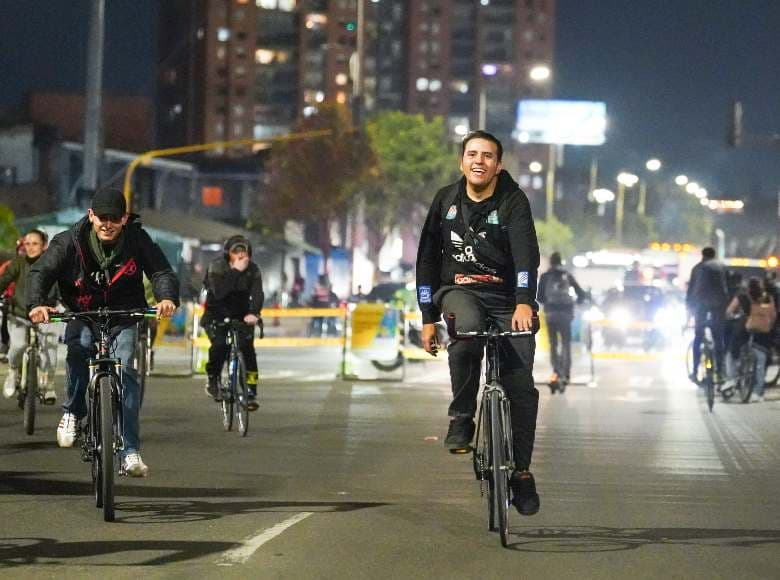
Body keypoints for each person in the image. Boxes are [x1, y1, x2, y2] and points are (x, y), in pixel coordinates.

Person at [416, 130, 541, 516]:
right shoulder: (445, 201)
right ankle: (462, 417)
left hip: (507, 300)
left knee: (521, 388)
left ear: (498, 165)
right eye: (472, 154)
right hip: (460, 292)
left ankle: (520, 473)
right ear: (462, 161)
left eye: (488, 156)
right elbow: (426, 262)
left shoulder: (513, 202)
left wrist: (524, 303)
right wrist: (427, 318)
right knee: (466, 333)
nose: (479, 161)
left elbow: (526, 257)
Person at [28, 188, 179, 477]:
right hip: (83, 313)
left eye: (114, 218)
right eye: (101, 218)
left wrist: (166, 297)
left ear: (124, 219)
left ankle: (130, 451)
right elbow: (41, 272)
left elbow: (161, 271)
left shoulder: (137, 239)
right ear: (91, 216)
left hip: (124, 314)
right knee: (78, 347)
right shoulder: (69, 242)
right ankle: (73, 410)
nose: (107, 224)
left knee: (127, 372)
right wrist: (37, 304)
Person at [202, 234, 263, 411]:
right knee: (220, 346)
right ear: (228, 253)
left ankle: (251, 391)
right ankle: (213, 379)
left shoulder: (253, 270)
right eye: (236, 252)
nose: (240, 256)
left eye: (243, 252)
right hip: (217, 313)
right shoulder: (217, 266)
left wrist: (254, 313)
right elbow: (219, 293)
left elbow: (258, 294)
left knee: (248, 351)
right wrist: (235, 271)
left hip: (242, 315)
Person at [0, 230, 60, 403]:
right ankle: (13, 372)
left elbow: (63, 287)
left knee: (50, 350)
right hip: (20, 314)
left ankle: (48, 383)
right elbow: (4, 281)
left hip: (47, 314)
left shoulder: (53, 264)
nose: (30, 247)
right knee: (18, 346)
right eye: (27, 244)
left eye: (35, 243)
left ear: (44, 246)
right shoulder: (18, 263)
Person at [537, 252, 587, 390]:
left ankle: (556, 371)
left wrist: (548, 304)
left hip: (551, 313)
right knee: (566, 343)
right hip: (566, 313)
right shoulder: (567, 275)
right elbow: (581, 294)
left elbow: (539, 296)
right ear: (561, 261)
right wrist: (576, 303)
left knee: (553, 343)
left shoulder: (545, 276)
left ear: (551, 262)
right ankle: (566, 373)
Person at [724, 277, 776, 401]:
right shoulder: (766, 297)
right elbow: (773, 315)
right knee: (760, 362)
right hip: (763, 333)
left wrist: (732, 317)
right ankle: (758, 392)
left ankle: (732, 378)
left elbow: (729, 311)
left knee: (731, 353)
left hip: (745, 330)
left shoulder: (742, 296)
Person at [686, 247, 729, 384]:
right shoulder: (722, 267)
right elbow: (728, 287)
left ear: (702, 255)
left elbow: (691, 291)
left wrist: (689, 309)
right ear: (714, 255)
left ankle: (694, 371)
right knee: (718, 339)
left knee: (698, 337)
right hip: (719, 306)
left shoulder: (697, 268)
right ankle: (720, 372)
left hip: (701, 306)